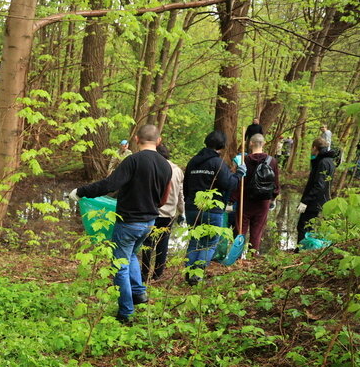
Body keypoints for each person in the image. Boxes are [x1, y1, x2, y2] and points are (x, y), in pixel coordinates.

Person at [69, 125, 172, 324]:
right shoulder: (166, 165)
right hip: (150, 221)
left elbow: (110, 185)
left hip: (129, 222)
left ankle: (126, 312)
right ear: (158, 141)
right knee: (131, 254)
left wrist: (81, 191)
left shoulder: (132, 160)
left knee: (120, 266)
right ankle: (139, 293)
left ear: (136, 139)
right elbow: (163, 199)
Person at [183, 130, 240, 284]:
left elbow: (186, 186)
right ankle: (197, 274)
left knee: (195, 241)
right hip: (212, 210)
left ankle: (189, 271)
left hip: (192, 208)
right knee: (210, 243)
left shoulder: (193, 161)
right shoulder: (217, 163)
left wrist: (187, 203)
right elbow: (229, 184)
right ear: (221, 147)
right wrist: (239, 174)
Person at [141, 143, 184, 282]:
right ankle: (157, 274)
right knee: (162, 244)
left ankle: (144, 273)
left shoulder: (152, 167)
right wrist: (182, 211)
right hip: (169, 214)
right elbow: (180, 194)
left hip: (151, 211)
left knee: (148, 243)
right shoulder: (177, 170)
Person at [234, 133, 280, 254]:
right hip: (263, 202)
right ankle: (253, 257)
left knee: (240, 231)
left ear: (250, 143)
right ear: (263, 144)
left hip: (245, 201)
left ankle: (236, 258)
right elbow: (275, 184)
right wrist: (272, 199)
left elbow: (238, 182)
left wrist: (232, 199)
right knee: (257, 232)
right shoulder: (272, 161)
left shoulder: (244, 160)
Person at [296, 137, 337, 245]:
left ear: (315, 147)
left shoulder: (323, 162)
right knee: (308, 225)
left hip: (314, 201)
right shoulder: (328, 161)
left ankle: (301, 249)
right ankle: (306, 248)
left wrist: (305, 201)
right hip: (321, 200)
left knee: (303, 225)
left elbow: (319, 184)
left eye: (312, 148)